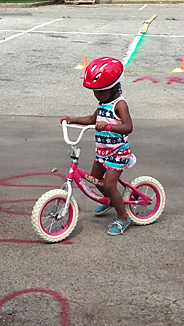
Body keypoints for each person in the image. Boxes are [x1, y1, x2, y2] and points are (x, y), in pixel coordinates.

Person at [61, 57, 136, 236]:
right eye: (95, 91)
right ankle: (111, 200)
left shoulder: (120, 105)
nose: (97, 95)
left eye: (100, 91)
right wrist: (72, 120)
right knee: (95, 179)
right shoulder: (103, 103)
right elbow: (92, 119)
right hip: (102, 152)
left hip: (117, 153)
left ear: (114, 87)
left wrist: (110, 127)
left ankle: (123, 218)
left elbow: (128, 127)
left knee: (109, 185)